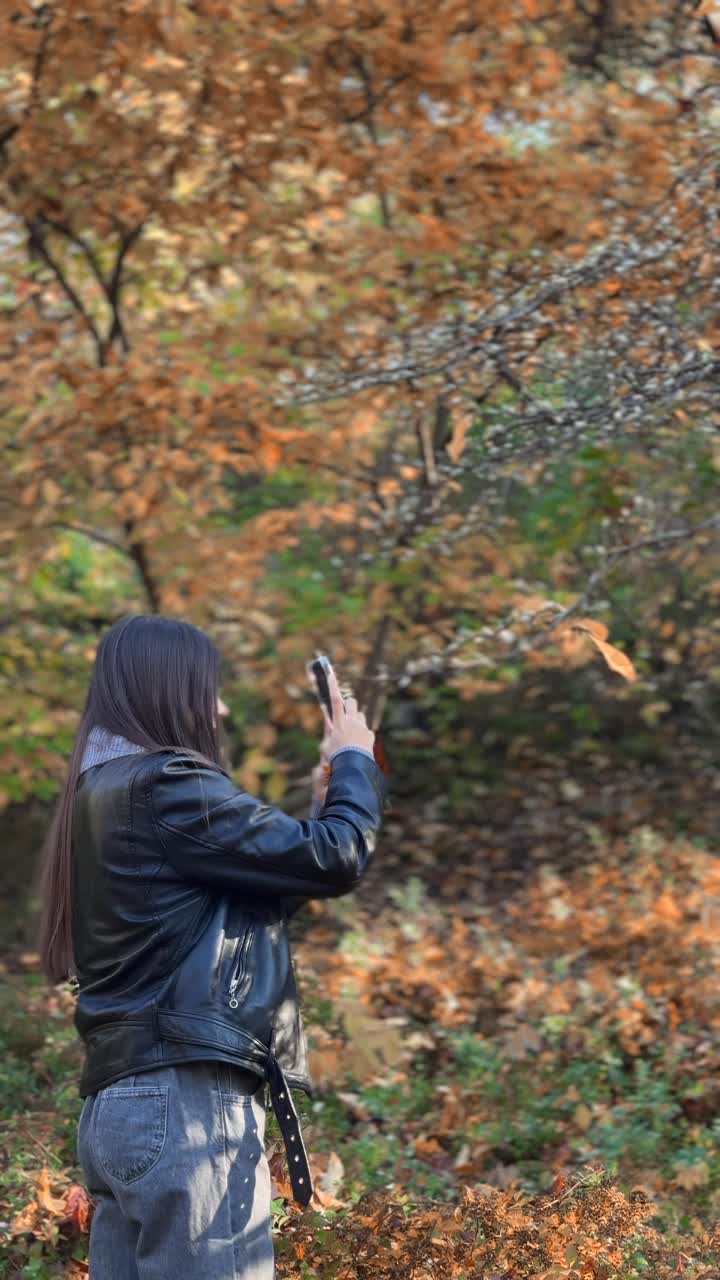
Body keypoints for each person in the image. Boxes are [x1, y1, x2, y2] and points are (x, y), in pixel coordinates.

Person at [36, 614, 388, 1279]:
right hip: (185, 1111)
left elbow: (224, 908)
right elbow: (337, 857)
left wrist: (329, 801)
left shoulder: (99, 793)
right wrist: (353, 761)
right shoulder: (167, 784)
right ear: (167, 690)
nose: (220, 709)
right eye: (209, 690)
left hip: (117, 1112)